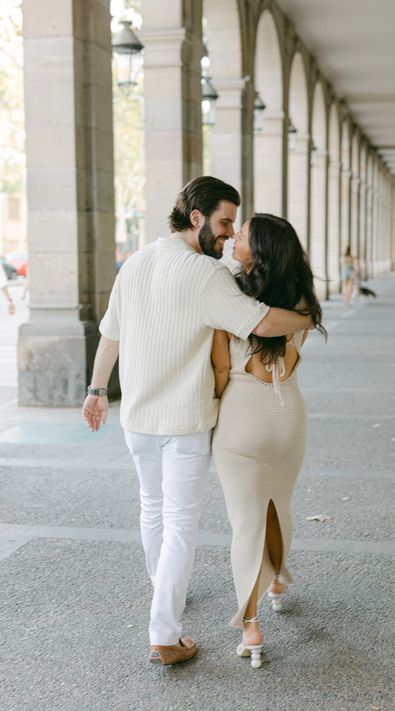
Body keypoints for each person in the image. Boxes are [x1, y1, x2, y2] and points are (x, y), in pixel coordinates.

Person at [81, 177, 313, 666]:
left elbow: (110, 335)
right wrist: (307, 319)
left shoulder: (137, 261)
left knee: (151, 510)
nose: (229, 235)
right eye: (226, 222)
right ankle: (165, 632)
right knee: (181, 523)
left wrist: (98, 390)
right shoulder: (205, 274)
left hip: (137, 417)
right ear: (197, 218)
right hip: (184, 420)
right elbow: (264, 324)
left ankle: (166, 593)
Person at [212, 214, 326, 669]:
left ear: (256, 252)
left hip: (242, 415)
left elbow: (222, 369)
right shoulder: (300, 301)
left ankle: (251, 625)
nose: (234, 236)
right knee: (278, 505)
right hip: (288, 418)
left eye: (241, 235)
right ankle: (277, 578)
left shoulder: (228, 294)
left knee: (245, 522)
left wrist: (214, 410)